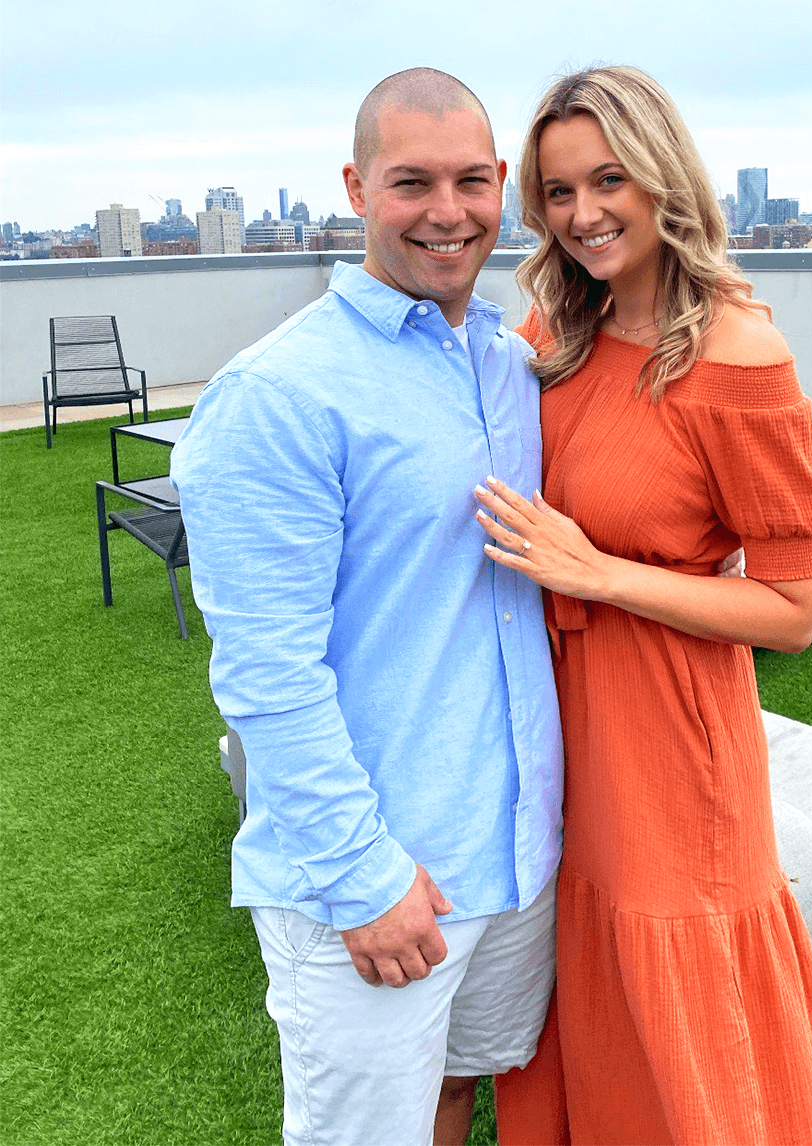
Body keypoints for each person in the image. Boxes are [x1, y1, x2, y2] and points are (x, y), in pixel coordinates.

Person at [169, 69, 563, 1146]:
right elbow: (265, 674)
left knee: (452, 1093)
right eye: (413, 181)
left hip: (515, 855)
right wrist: (361, 878)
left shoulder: (506, 361)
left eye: (474, 181)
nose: (449, 211)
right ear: (355, 185)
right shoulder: (279, 395)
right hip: (380, 872)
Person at [480, 67, 812, 1144]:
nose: (585, 213)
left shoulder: (742, 358)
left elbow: (793, 609)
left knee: (676, 1004)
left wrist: (600, 573)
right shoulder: (560, 334)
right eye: (558, 193)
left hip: (669, 745)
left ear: (662, 178)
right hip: (557, 721)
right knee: (576, 981)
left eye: (610, 179)